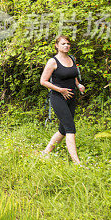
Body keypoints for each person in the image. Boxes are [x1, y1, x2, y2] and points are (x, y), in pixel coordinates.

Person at [40, 35, 85, 164]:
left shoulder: (72, 58)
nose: (66, 46)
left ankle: (46, 152)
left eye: (68, 44)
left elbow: (73, 75)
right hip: (58, 97)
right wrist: (60, 90)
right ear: (57, 46)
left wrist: (78, 85)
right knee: (70, 128)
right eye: (63, 44)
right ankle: (77, 162)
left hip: (71, 97)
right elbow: (43, 81)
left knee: (63, 129)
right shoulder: (53, 62)